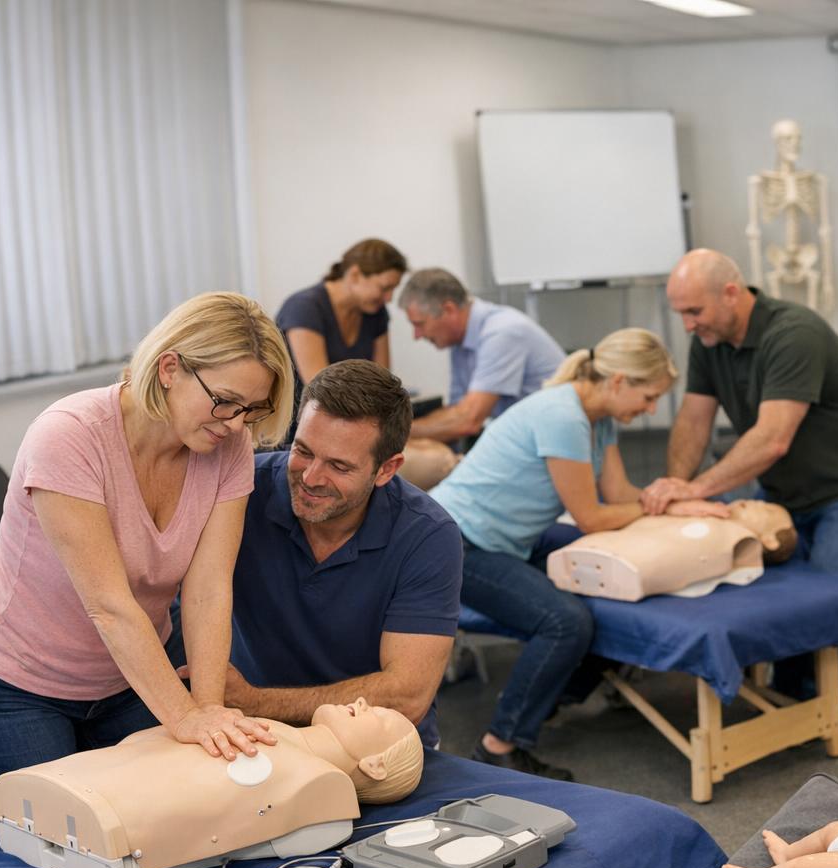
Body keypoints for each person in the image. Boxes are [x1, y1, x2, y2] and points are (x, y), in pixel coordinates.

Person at [0, 293, 295, 799]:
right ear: (170, 368)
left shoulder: (227, 445)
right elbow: (108, 606)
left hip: (130, 677)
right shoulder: (69, 436)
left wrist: (208, 710)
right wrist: (184, 718)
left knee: (171, 820)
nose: (236, 423)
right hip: (16, 687)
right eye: (224, 400)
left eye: (252, 409)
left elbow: (208, 589)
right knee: (67, 847)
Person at [429, 329, 727, 780]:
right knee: (564, 621)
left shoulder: (597, 418)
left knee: (610, 574)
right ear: (619, 381)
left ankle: (552, 694)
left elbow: (620, 494)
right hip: (454, 542)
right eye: (648, 398)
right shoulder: (563, 416)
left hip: (506, 538)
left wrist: (671, 502)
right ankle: (499, 745)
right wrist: (675, 506)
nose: (649, 410)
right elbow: (591, 516)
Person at [647, 248, 838, 698]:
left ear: (731, 293)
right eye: (681, 313)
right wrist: (678, 494)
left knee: (822, 602)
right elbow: (692, 420)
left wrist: (695, 487)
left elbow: (772, 438)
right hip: (786, 489)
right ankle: (786, 698)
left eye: (694, 311)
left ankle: (816, 711)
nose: (687, 324)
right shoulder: (707, 340)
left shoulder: (793, 333)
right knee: (764, 588)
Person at [168, 360, 462, 750]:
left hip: (372, 745)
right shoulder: (239, 492)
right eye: (303, 451)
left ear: (386, 470)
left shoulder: (428, 535)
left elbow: (407, 696)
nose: (310, 478)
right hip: (251, 734)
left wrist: (255, 700)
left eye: (339, 466)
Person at [0, 699, 424, 868]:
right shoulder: (276, 732)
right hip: (83, 783)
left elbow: (236, 825)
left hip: (118, 821)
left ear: (375, 766)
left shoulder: (325, 786)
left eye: (381, 718)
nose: (365, 702)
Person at [399, 268, 565, 447]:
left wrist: (395, 433)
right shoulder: (459, 341)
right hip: (530, 439)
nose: (416, 335)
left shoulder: (502, 332)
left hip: (555, 442)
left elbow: (468, 420)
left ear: (448, 310)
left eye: (419, 324)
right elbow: (456, 411)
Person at [275, 238, 406, 402]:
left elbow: (383, 383)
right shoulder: (304, 308)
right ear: (355, 275)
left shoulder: (376, 312)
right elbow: (320, 390)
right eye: (384, 288)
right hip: (300, 423)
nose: (389, 298)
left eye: (393, 289)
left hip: (353, 416)